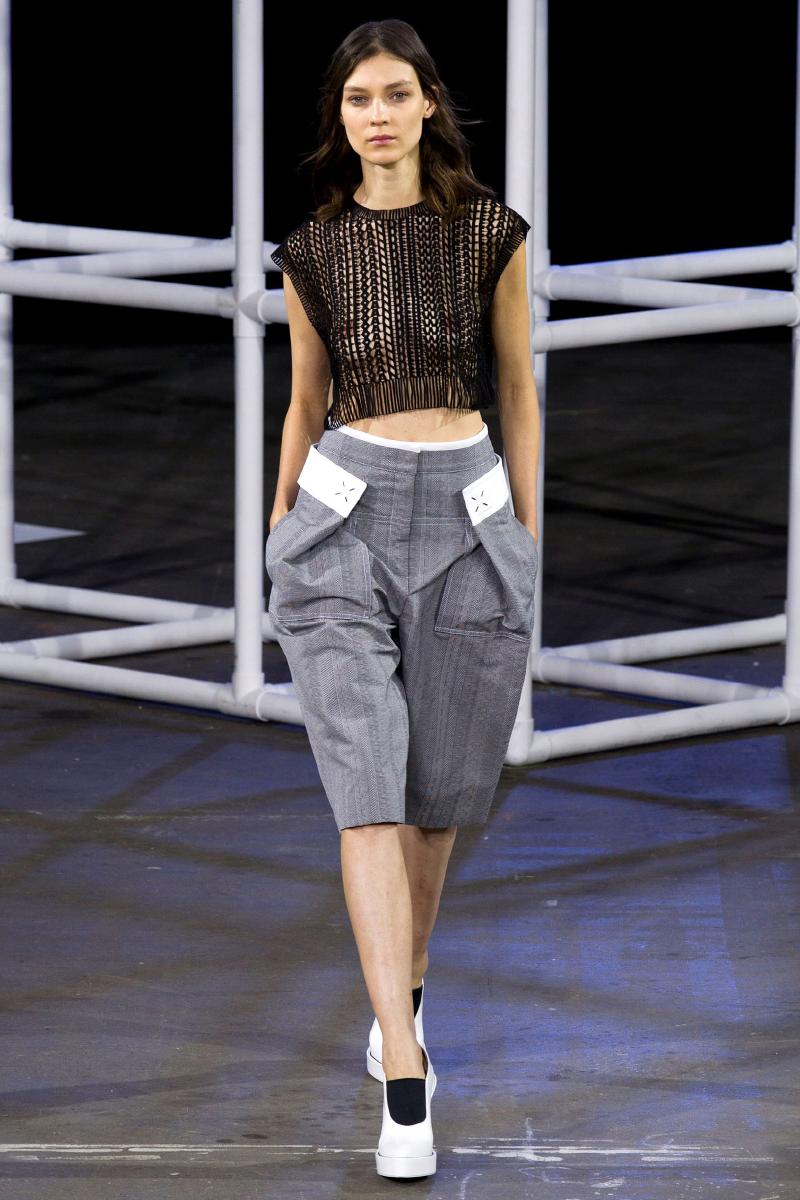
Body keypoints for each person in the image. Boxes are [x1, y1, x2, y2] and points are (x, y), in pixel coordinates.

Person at [266, 18, 540, 1180]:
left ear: (428, 102)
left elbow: (517, 390)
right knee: (368, 798)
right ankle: (406, 1074)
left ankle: (403, 997)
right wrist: (278, 527)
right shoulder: (312, 249)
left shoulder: (488, 231)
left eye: (391, 94)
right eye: (354, 99)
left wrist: (524, 541)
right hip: (341, 521)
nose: (373, 115)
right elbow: (304, 399)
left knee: (435, 805)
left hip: (471, 518)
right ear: (339, 119)